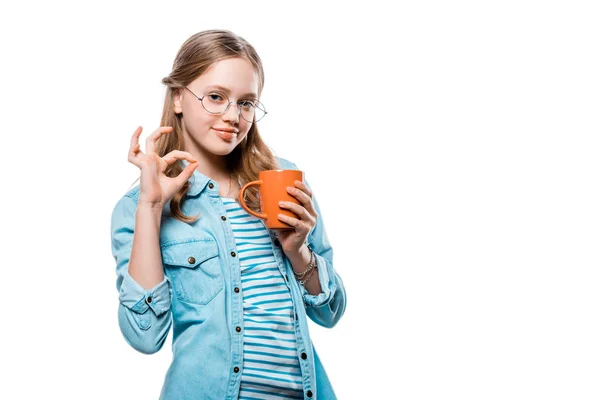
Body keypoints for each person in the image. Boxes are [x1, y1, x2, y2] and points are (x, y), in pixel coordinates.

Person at [110, 29, 347, 400]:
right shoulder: (140, 206)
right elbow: (144, 335)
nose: (233, 116)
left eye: (246, 103)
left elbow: (330, 312)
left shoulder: (282, 180)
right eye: (216, 97)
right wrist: (151, 207)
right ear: (177, 98)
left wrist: (298, 252)